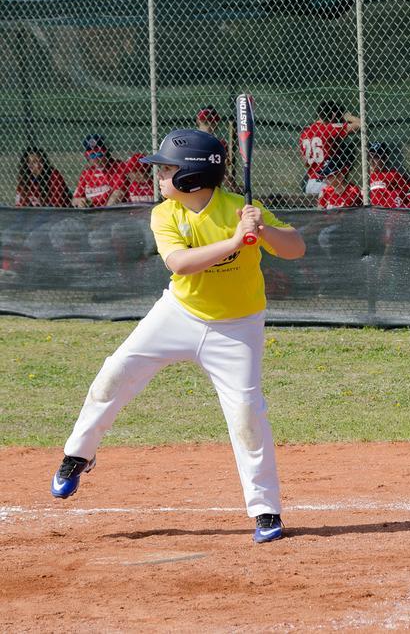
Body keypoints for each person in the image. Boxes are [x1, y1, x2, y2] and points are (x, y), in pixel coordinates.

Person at [49, 129, 306, 544]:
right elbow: (181, 264)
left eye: (167, 170)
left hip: (237, 328)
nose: (159, 177)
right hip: (179, 313)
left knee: (247, 414)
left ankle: (265, 511)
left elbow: (296, 248)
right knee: (115, 372)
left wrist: (264, 231)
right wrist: (235, 242)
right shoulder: (165, 214)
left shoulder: (241, 210)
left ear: (192, 176)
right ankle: (78, 454)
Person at [299, 101, 361, 198]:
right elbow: (360, 124)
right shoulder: (329, 128)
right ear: (333, 115)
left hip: (310, 183)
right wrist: (348, 117)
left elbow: (305, 161)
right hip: (327, 183)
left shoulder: (305, 132)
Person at [72, 134, 125, 208]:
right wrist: (80, 200)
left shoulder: (117, 167)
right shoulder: (87, 172)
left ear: (106, 153)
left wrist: (105, 212)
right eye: (92, 155)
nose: (96, 159)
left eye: (99, 154)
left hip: (111, 212)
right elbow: (75, 199)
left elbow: (119, 192)